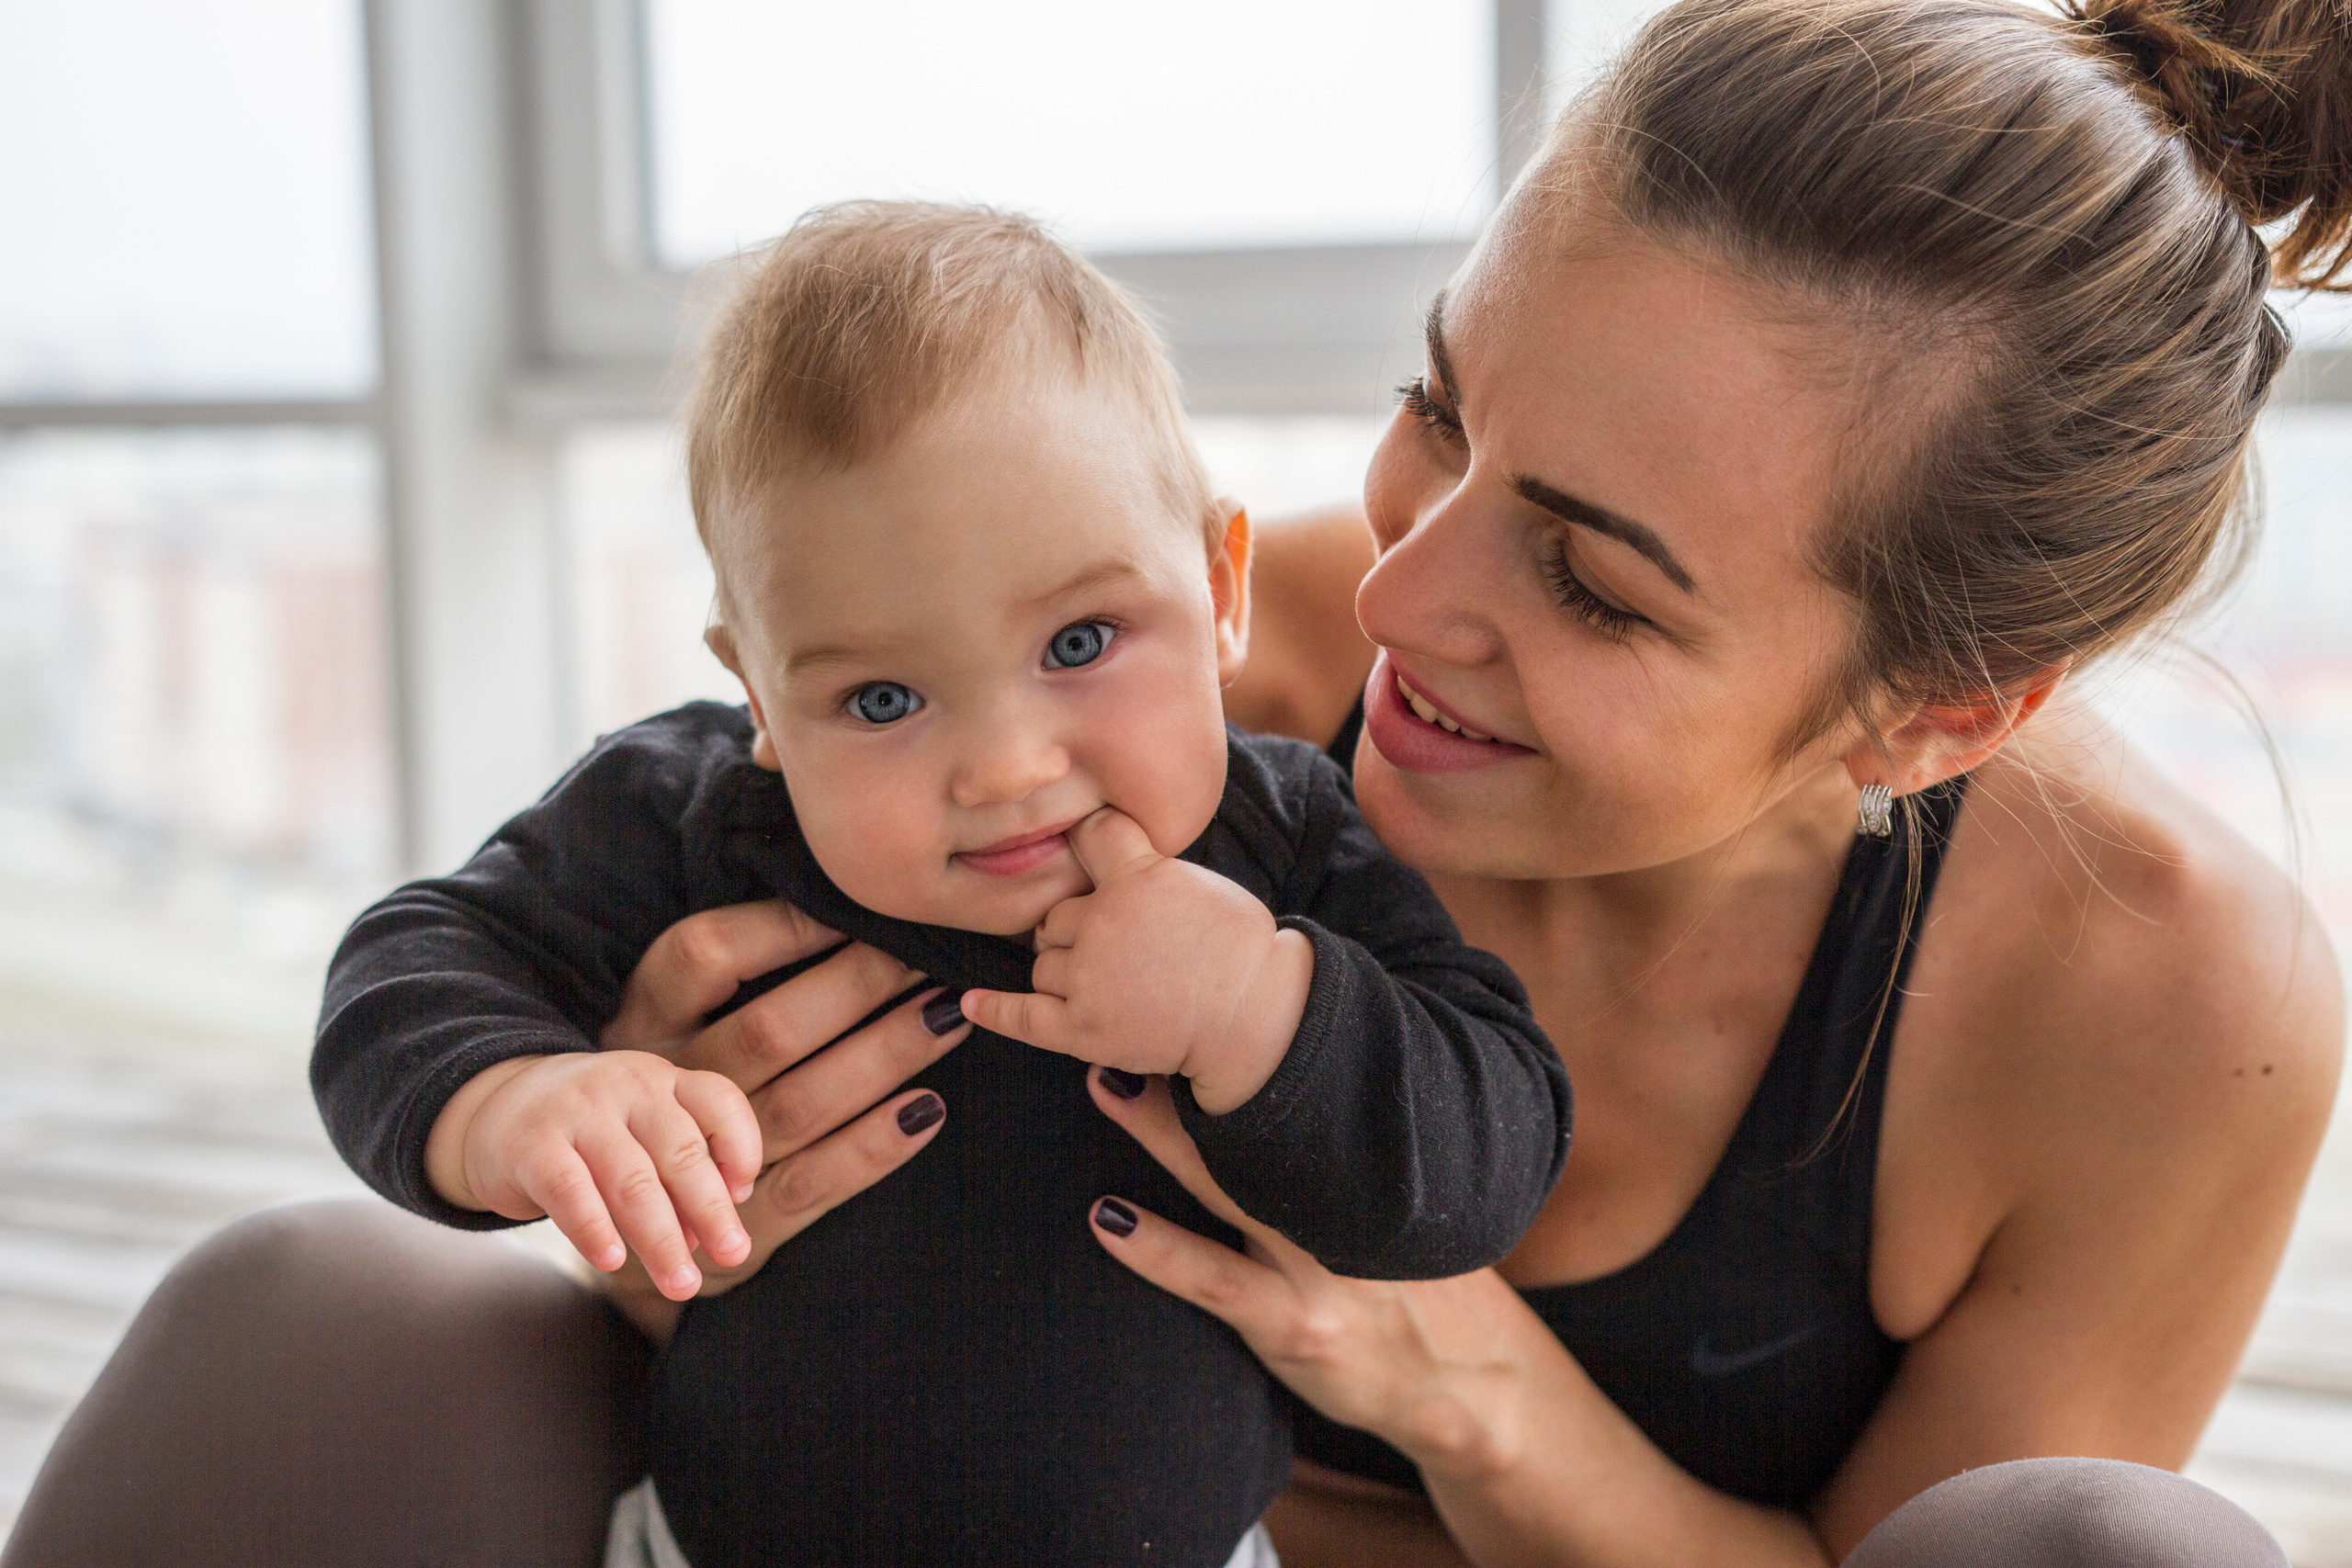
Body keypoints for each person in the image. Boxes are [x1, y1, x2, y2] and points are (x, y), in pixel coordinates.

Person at [4, 0, 2345, 1562]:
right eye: (1442, 405)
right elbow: (653, 850)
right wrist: (647, 1132)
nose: (1407, 589)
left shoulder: (2153, 995)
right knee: (326, 1298)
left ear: (1935, 712)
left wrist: (1459, 1379)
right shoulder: (1168, 646)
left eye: (1600, 585)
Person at [310, 202, 1566, 1568]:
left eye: (1081, 640)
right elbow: (412, 963)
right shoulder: (702, 810)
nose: (1007, 767)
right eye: (884, 696)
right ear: (762, 697)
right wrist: (517, 1097)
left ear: (1219, 588)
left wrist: (1260, 1005)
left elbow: (1492, 1144)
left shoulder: (1284, 842)